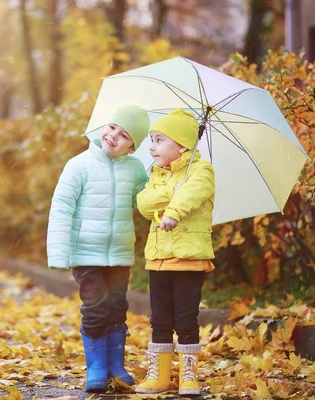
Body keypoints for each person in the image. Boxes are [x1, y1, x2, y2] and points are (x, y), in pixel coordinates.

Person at [47, 105, 150, 393]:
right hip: (85, 253)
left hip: (119, 253)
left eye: (124, 135)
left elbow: (145, 204)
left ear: (132, 147)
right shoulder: (79, 165)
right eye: (112, 127)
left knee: (118, 306)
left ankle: (116, 366)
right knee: (94, 308)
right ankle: (96, 367)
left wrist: (167, 187)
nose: (113, 136)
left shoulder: (136, 169)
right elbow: (62, 207)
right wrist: (59, 252)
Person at [134, 109, 215, 396]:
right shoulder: (155, 174)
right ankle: (160, 374)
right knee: (160, 318)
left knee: (185, 317)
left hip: (188, 259)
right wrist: (171, 192)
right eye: (151, 140)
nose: (151, 146)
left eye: (158, 140)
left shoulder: (201, 170)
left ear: (181, 145)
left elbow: (193, 193)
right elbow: (143, 203)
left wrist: (174, 211)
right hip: (158, 259)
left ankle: (189, 375)